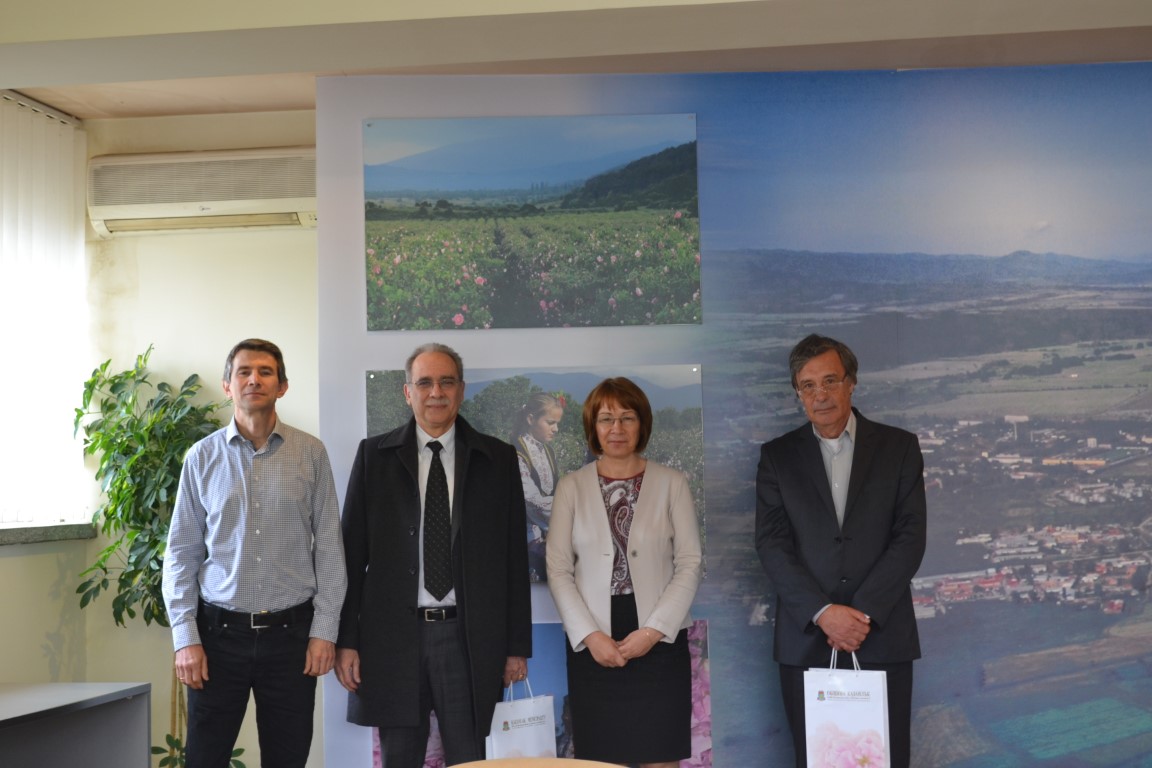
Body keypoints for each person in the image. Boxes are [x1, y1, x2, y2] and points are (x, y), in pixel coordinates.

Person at [335, 342, 533, 767]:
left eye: (446, 382)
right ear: (407, 392)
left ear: (461, 389)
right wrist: (346, 641)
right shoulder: (374, 457)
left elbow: (515, 561)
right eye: (424, 383)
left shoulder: (497, 459)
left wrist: (516, 646)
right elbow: (349, 557)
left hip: (469, 639)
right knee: (400, 759)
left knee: (470, 758)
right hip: (393, 640)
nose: (436, 392)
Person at [162, 338, 347, 768]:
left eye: (266, 372)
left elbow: (330, 548)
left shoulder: (311, 453)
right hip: (217, 638)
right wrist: (185, 638)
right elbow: (181, 554)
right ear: (228, 385)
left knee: (287, 759)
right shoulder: (201, 458)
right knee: (205, 759)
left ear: (282, 386)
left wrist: (325, 630)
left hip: (291, 639)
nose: (254, 380)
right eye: (243, 372)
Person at [754, 334, 927, 768]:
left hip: (882, 637)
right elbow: (772, 544)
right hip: (806, 641)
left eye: (830, 380)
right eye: (808, 385)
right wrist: (824, 613)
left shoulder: (899, 448)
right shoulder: (777, 457)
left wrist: (860, 615)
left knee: (885, 761)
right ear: (798, 394)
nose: (821, 394)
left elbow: (910, 537)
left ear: (851, 383)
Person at [547, 377, 702, 768]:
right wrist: (590, 636)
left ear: (642, 424)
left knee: (660, 756)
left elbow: (689, 562)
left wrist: (653, 632)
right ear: (593, 427)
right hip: (594, 641)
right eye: (606, 419)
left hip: (660, 639)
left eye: (627, 417)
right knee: (601, 759)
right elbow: (559, 569)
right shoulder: (570, 488)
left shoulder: (673, 484)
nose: (616, 428)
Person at [510, 392, 565, 583]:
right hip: (525, 535)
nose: (556, 429)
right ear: (531, 419)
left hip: (549, 532)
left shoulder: (548, 451)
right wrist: (568, 511)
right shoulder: (516, 453)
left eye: (557, 423)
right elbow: (531, 500)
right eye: (550, 423)